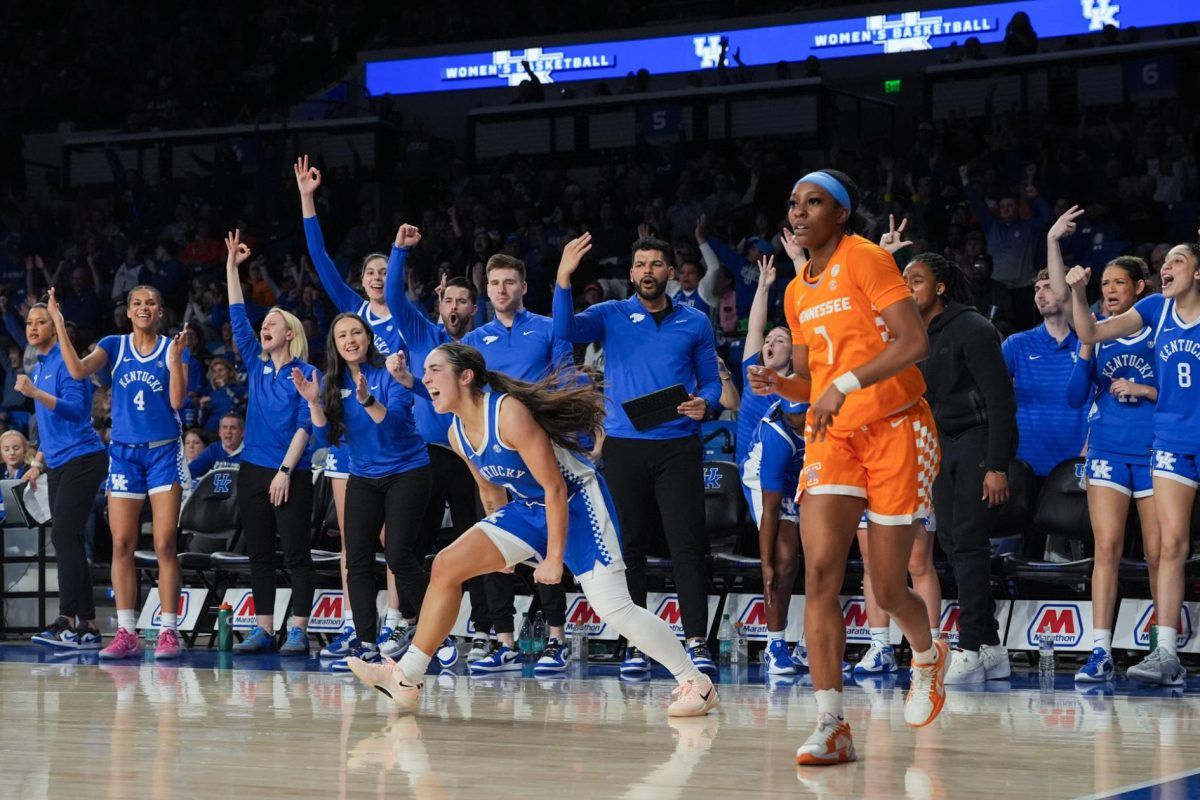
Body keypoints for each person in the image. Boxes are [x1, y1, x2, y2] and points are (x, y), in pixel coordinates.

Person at [345, 343, 719, 718]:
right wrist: (501, 546)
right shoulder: (458, 432)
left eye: (434, 369)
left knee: (615, 609)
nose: (424, 378)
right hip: (528, 509)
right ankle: (407, 677)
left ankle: (696, 683)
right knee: (446, 565)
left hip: (578, 503)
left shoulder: (508, 412)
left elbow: (556, 487)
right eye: (424, 371)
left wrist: (554, 557)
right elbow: (491, 494)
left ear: (466, 376)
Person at [748, 169, 947, 766]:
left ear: (840, 214)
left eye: (815, 203)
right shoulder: (795, 290)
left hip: (897, 426)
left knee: (887, 586)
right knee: (822, 573)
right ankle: (832, 721)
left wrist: (848, 385)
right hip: (835, 435)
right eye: (794, 203)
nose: (800, 212)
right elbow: (812, 380)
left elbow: (914, 344)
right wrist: (781, 382)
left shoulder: (866, 260)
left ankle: (926, 654)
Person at [554, 233, 722, 677]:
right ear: (631, 274)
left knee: (688, 546)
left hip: (679, 445)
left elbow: (711, 382)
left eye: (656, 264)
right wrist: (564, 278)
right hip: (625, 447)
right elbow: (564, 330)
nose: (648, 271)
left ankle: (697, 642)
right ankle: (637, 644)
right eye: (640, 264)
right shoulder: (611, 314)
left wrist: (707, 403)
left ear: (669, 272)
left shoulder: (696, 322)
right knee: (630, 548)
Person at [1065, 241, 1200, 687]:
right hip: (1163, 444)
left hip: (1159, 442)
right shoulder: (1156, 309)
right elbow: (1089, 335)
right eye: (1166, 262)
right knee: (1157, 547)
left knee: (1165, 549)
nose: (1168, 267)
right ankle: (1147, 651)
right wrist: (1078, 293)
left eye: (1178, 261)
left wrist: (1143, 392)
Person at [296, 155, 408, 658]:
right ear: (360, 281)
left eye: (387, 269)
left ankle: (396, 619)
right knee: (353, 539)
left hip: (400, 440)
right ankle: (355, 620)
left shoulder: (409, 316)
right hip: (351, 443)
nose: (379, 276)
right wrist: (307, 200)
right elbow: (319, 259)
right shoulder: (351, 318)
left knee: (395, 540)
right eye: (371, 270)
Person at [293, 313, 446, 672]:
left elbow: (392, 427)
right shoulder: (329, 381)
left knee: (399, 555)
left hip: (407, 470)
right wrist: (315, 402)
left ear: (368, 337)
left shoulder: (388, 372)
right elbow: (324, 439)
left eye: (356, 332)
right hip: (362, 473)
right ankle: (365, 642)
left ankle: (437, 633)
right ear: (335, 344)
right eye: (342, 334)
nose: (350, 339)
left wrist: (366, 399)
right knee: (357, 558)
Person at [50, 285, 188, 660]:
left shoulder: (173, 347)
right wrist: (60, 325)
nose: (144, 308)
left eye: (152, 303)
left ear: (161, 311)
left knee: (164, 544)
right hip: (124, 455)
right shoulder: (114, 344)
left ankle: (169, 631)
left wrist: (175, 358)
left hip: (163, 453)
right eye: (138, 303)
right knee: (122, 544)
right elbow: (78, 370)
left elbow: (177, 400)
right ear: (128, 312)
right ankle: (127, 630)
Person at [381, 225, 493, 662]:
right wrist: (398, 252)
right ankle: (418, 626)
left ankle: (484, 629)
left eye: (463, 300)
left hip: (474, 455)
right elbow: (393, 299)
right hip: (427, 456)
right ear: (440, 303)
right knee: (406, 546)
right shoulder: (425, 335)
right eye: (448, 300)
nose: (454, 307)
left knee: (479, 543)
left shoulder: (483, 344)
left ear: (473, 307)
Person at [903, 253, 1016, 684]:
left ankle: (970, 644)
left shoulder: (974, 329)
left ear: (941, 287)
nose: (908, 289)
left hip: (978, 440)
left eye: (916, 280)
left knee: (967, 541)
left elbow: (1001, 401)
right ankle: (991, 648)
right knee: (951, 542)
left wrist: (998, 465)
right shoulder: (914, 334)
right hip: (940, 444)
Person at [220, 231, 318, 656]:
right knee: (259, 552)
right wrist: (231, 267)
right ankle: (263, 628)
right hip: (253, 470)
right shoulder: (257, 366)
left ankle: (298, 629)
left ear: (290, 334)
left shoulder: (307, 371)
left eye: (272, 324)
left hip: (290, 470)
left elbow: (305, 426)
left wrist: (285, 471)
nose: (264, 328)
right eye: (265, 325)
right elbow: (238, 313)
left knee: (295, 553)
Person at [15, 302, 110, 648]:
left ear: (55, 329)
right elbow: (49, 425)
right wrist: (38, 461)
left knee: (65, 536)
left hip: (84, 459)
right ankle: (89, 625)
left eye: (41, 322)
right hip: (58, 462)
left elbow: (75, 411)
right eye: (29, 322)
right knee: (66, 539)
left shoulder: (66, 363)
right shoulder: (39, 367)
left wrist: (35, 393)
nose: (33, 327)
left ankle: (66, 620)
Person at [1001, 269, 1087, 480]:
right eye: (1037, 289)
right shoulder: (1016, 344)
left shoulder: (1090, 341)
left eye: (1048, 287)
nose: (1040, 294)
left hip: (1078, 462)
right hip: (1026, 466)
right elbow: (995, 397)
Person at [740, 398, 805, 674]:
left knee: (822, 557)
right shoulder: (777, 436)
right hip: (766, 481)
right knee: (785, 559)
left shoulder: (831, 410)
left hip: (805, 473)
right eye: (791, 420)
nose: (795, 424)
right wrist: (766, 565)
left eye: (799, 419)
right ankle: (774, 645)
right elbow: (770, 509)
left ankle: (812, 643)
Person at [736, 255, 790, 466]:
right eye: (768, 341)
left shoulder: (798, 388)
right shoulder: (753, 373)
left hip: (784, 469)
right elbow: (754, 329)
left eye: (780, 341)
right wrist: (763, 288)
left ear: (793, 352)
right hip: (746, 470)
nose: (770, 344)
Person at [187, 412, 245, 479]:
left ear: (242, 433)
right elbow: (189, 473)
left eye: (233, 428)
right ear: (219, 432)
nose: (228, 431)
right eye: (224, 427)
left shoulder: (251, 453)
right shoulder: (213, 450)